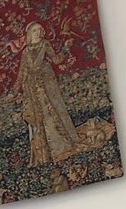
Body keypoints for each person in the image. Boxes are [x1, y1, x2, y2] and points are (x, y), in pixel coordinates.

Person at [13, 22, 80, 167]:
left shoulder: (45, 44)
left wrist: (65, 48)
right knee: (39, 116)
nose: (37, 32)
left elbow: (56, 60)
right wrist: (15, 90)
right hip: (32, 87)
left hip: (46, 83)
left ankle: (59, 145)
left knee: (52, 111)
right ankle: (45, 152)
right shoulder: (26, 51)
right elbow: (22, 71)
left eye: (39, 30)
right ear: (29, 34)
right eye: (34, 30)